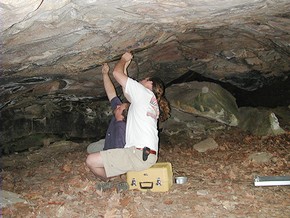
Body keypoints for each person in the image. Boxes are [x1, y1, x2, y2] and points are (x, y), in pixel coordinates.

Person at [86, 52, 170, 181]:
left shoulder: (144, 93)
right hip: (145, 154)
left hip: (138, 154)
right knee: (95, 156)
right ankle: (114, 174)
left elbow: (116, 74)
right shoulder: (148, 101)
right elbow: (125, 90)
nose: (140, 80)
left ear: (149, 83)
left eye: (143, 79)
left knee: (91, 160)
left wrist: (123, 59)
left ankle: (110, 179)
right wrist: (124, 67)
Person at [87, 63, 129, 154]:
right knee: (91, 148)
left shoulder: (121, 130)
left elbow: (118, 153)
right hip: (110, 140)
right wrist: (105, 74)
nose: (117, 106)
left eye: (119, 108)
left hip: (112, 150)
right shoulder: (118, 113)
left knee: (91, 152)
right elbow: (112, 94)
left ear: (122, 117)